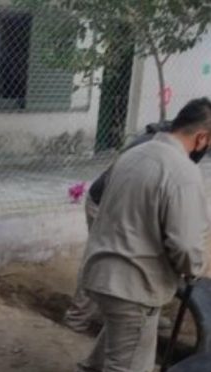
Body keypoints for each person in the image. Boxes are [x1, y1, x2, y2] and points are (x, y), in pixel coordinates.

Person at [73, 98, 211, 372]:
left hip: (101, 271)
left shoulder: (134, 154)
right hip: (134, 284)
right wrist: (194, 269)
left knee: (117, 338)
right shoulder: (183, 172)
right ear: (202, 137)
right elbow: (186, 245)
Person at [63, 121, 172, 333]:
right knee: (101, 260)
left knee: (141, 260)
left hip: (131, 207)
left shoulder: (173, 144)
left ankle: (143, 313)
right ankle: (77, 317)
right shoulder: (152, 148)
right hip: (107, 204)